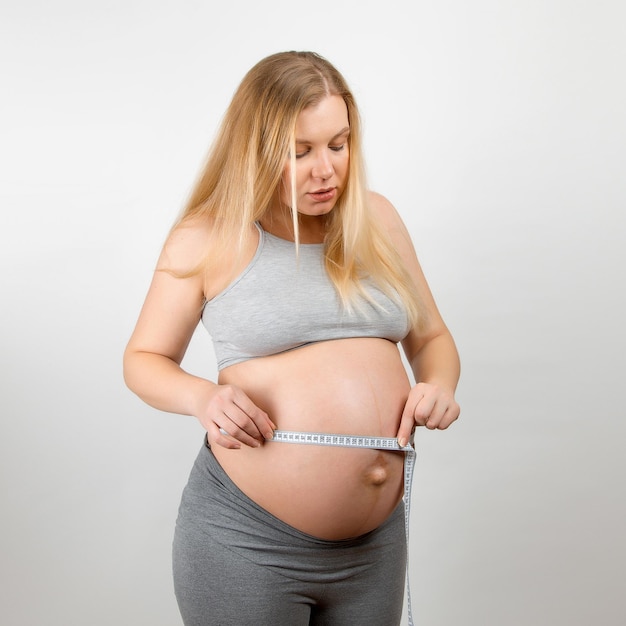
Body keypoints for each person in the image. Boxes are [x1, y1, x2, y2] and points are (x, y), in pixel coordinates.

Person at [123, 50, 460, 626]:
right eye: (299, 151)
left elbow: (432, 337)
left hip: (375, 551)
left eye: (338, 143)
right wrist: (204, 398)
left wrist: (439, 384)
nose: (325, 169)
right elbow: (143, 359)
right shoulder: (208, 237)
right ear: (254, 149)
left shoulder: (378, 222)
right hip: (247, 544)